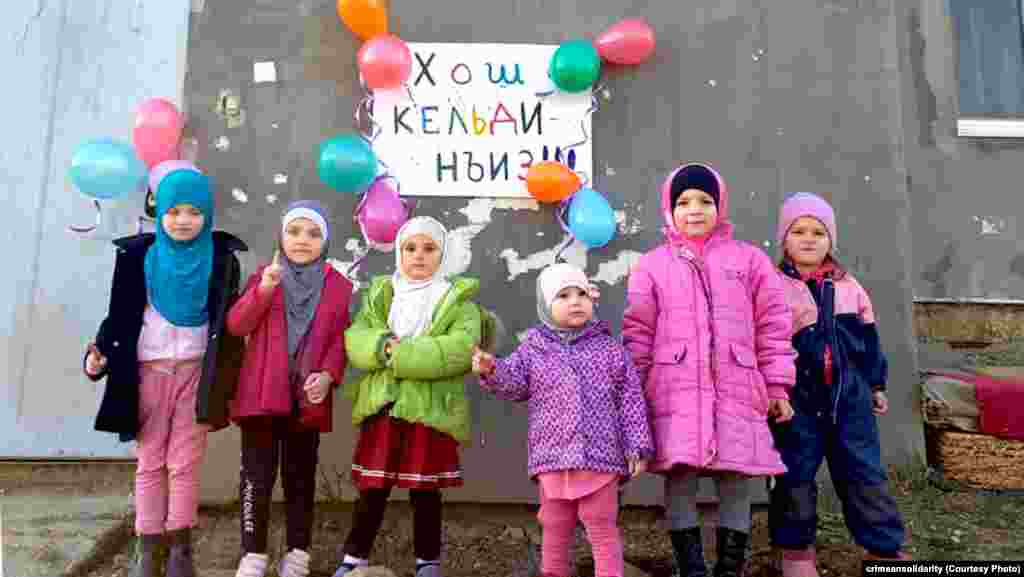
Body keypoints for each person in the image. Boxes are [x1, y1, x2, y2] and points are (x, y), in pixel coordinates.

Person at [622, 162, 797, 577]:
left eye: (705, 200)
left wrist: (777, 387)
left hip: (737, 390)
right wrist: (638, 389)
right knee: (680, 477)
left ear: (720, 206)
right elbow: (638, 330)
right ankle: (692, 567)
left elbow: (773, 326)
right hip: (674, 391)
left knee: (735, 478)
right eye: (683, 202)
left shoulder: (749, 261)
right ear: (669, 209)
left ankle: (729, 567)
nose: (694, 210)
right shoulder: (652, 265)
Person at [769, 192, 909, 576]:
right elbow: (766, 345)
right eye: (798, 231)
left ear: (831, 239)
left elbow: (869, 341)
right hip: (798, 403)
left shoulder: (850, 287)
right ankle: (796, 552)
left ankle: (883, 549)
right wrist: (772, 391)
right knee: (794, 476)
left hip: (850, 403)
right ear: (784, 239)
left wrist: (876, 384)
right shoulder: (773, 288)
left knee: (865, 475)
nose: (809, 238)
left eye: (818, 231)